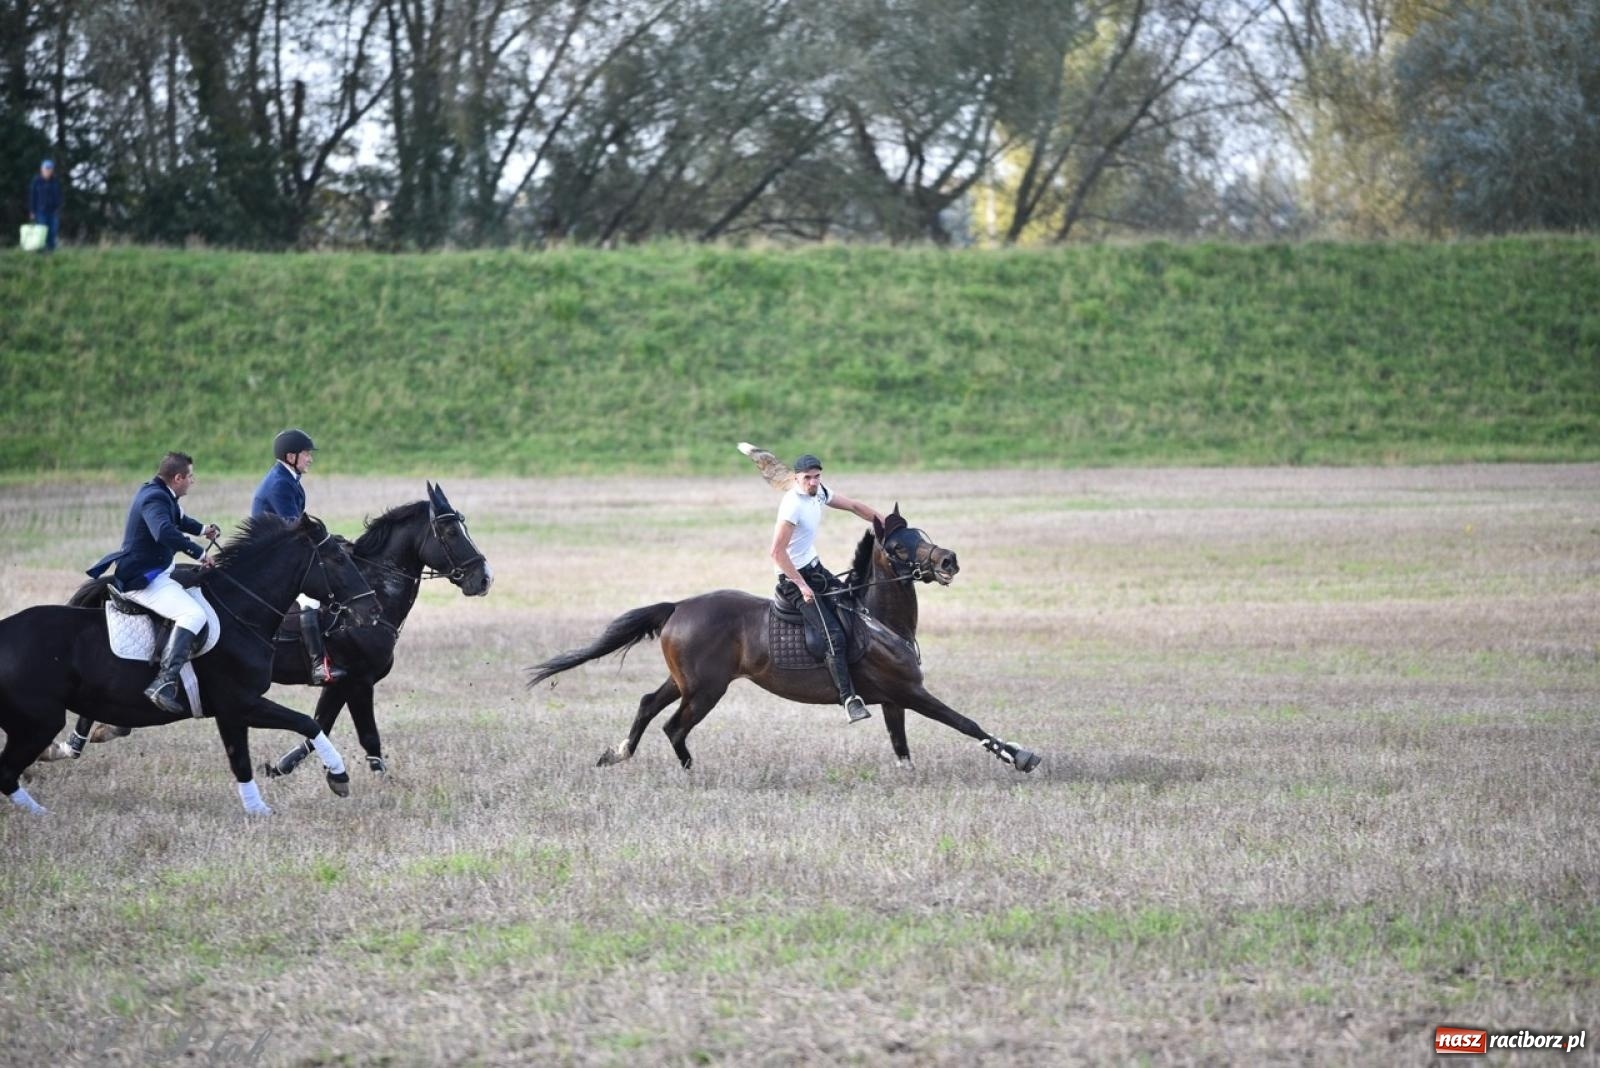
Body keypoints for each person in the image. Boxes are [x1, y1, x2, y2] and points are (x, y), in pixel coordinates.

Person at [87, 452, 222, 714]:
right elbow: (164, 530)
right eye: (190, 477)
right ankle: (164, 681)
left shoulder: (162, 493)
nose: (193, 481)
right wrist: (200, 553)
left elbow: (179, 519)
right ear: (178, 477)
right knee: (193, 614)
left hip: (158, 572)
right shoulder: (154, 498)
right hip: (144, 579)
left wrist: (203, 529)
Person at [769, 453, 883, 723]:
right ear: (796, 478)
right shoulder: (792, 506)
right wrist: (800, 584)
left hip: (816, 569)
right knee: (833, 635)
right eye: (807, 477)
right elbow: (776, 552)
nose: (812, 481)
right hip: (793, 579)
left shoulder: (818, 492)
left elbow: (854, 506)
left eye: (816, 476)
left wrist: (884, 521)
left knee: (854, 605)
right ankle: (849, 699)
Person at [251, 428, 343, 684]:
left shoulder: (287, 478)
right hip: (271, 558)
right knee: (310, 600)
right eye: (306, 454)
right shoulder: (280, 484)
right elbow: (294, 527)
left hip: (282, 551)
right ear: (291, 456)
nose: (309, 458)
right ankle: (317, 665)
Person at [27, 159, 62, 253]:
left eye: (50, 169)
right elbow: (32, 197)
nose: (48, 171)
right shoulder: (36, 181)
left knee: (52, 232)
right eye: (46, 169)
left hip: (53, 211)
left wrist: (58, 207)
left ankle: (51, 252)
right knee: (41, 232)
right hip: (40, 211)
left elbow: (59, 195)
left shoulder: (55, 181)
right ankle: (40, 252)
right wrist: (32, 211)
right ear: (42, 169)